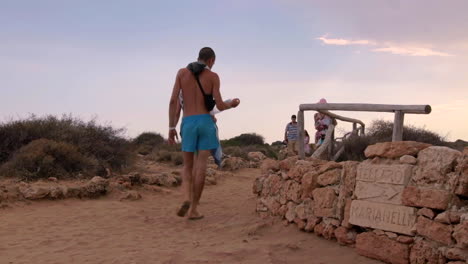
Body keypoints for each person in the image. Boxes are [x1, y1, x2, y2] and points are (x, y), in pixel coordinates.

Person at [168, 47, 240, 220]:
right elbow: (220, 105)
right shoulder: (213, 77)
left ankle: (185, 197)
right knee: (201, 166)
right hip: (206, 122)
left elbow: (173, 101)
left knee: (187, 166)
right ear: (211, 61)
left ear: (198, 57)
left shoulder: (181, 73)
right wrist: (233, 104)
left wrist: (171, 128)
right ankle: (193, 209)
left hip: (188, 122)